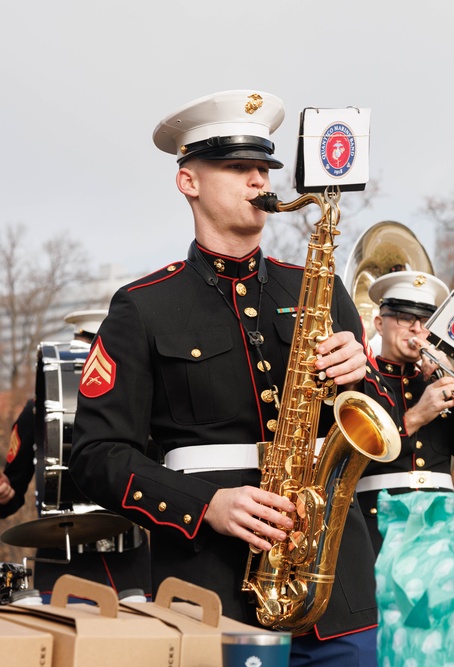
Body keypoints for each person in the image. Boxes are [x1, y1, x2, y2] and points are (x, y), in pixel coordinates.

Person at [68, 90, 398, 666]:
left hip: (335, 588)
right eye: (236, 168)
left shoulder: (319, 289)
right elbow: (97, 456)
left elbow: (381, 428)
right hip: (209, 596)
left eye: (264, 168)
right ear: (188, 182)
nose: (257, 181)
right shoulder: (142, 307)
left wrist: (361, 378)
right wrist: (207, 504)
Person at [0, 310, 151, 601]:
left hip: (129, 564)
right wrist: (4, 493)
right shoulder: (37, 410)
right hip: (60, 562)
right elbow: (11, 492)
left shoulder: (142, 406)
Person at [354, 271, 454, 554]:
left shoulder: (442, 384)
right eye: (406, 318)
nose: (417, 330)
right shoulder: (360, 381)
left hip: (442, 524)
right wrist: (416, 417)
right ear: (380, 324)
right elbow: (350, 462)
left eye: (426, 322)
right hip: (377, 526)